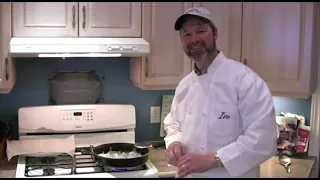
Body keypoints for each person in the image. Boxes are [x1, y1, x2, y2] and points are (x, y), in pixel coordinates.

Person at [163, 7, 277, 178]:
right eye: (187, 35)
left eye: (200, 31)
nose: (194, 39)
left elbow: (263, 139)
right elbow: (174, 123)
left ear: (215, 34)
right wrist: (174, 142)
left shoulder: (246, 81)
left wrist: (213, 160)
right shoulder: (185, 85)